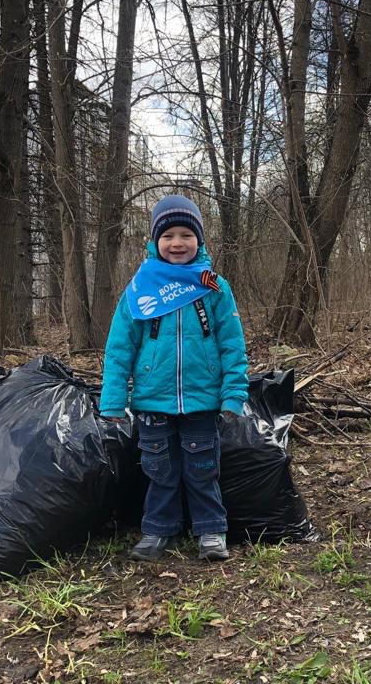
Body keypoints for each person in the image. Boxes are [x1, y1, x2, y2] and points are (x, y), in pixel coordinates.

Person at [100, 195, 249, 562]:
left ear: (200, 240)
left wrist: (233, 395)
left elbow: (232, 345)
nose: (177, 243)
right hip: (153, 399)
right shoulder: (139, 290)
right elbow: (120, 348)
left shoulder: (213, 287)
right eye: (168, 236)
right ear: (155, 241)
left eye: (186, 234)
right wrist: (113, 400)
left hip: (202, 399)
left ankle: (211, 530)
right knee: (159, 472)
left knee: (203, 469)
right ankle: (157, 531)